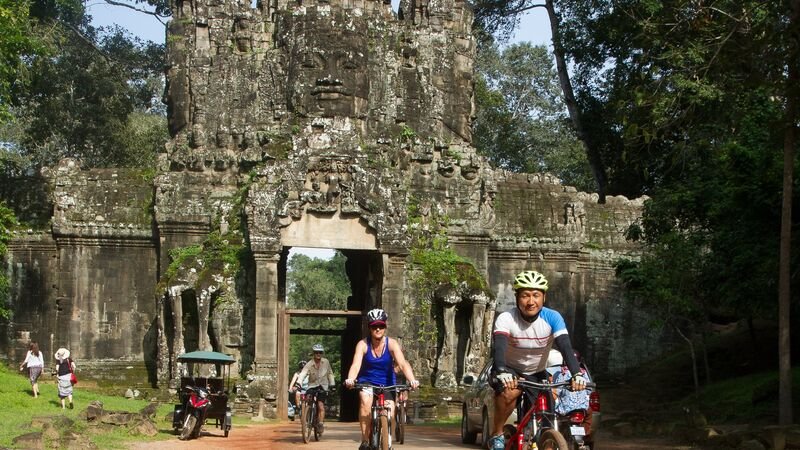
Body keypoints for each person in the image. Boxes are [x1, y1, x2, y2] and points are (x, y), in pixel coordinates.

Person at [488, 271, 587, 450]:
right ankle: (497, 434)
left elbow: (565, 345)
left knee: (547, 415)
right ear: (517, 297)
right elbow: (500, 347)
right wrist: (501, 370)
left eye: (536, 295)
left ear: (544, 297)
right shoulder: (506, 318)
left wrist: (577, 374)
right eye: (525, 295)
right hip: (510, 369)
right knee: (509, 393)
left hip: (537, 371)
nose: (531, 301)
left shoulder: (552, 317)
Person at [345, 308, 420, 450]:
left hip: (387, 384)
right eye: (374, 326)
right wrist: (351, 379)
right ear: (369, 328)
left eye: (381, 326)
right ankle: (365, 439)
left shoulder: (392, 344)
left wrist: (412, 380)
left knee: (390, 412)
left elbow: (403, 364)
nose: (378, 329)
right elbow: (355, 365)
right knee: (365, 402)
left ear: (385, 327)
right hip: (366, 382)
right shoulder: (362, 345)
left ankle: (387, 441)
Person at [296, 344, 335, 435]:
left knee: (320, 405)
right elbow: (303, 374)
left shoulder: (326, 362)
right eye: (316, 352)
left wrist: (332, 384)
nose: (318, 354)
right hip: (312, 385)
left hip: (323, 386)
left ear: (322, 353)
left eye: (320, 352)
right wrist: (299, 383)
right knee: (308, 398)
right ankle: (308, 414)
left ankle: (320, 423)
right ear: (313, 353)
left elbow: (330, 373)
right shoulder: (309, 364)